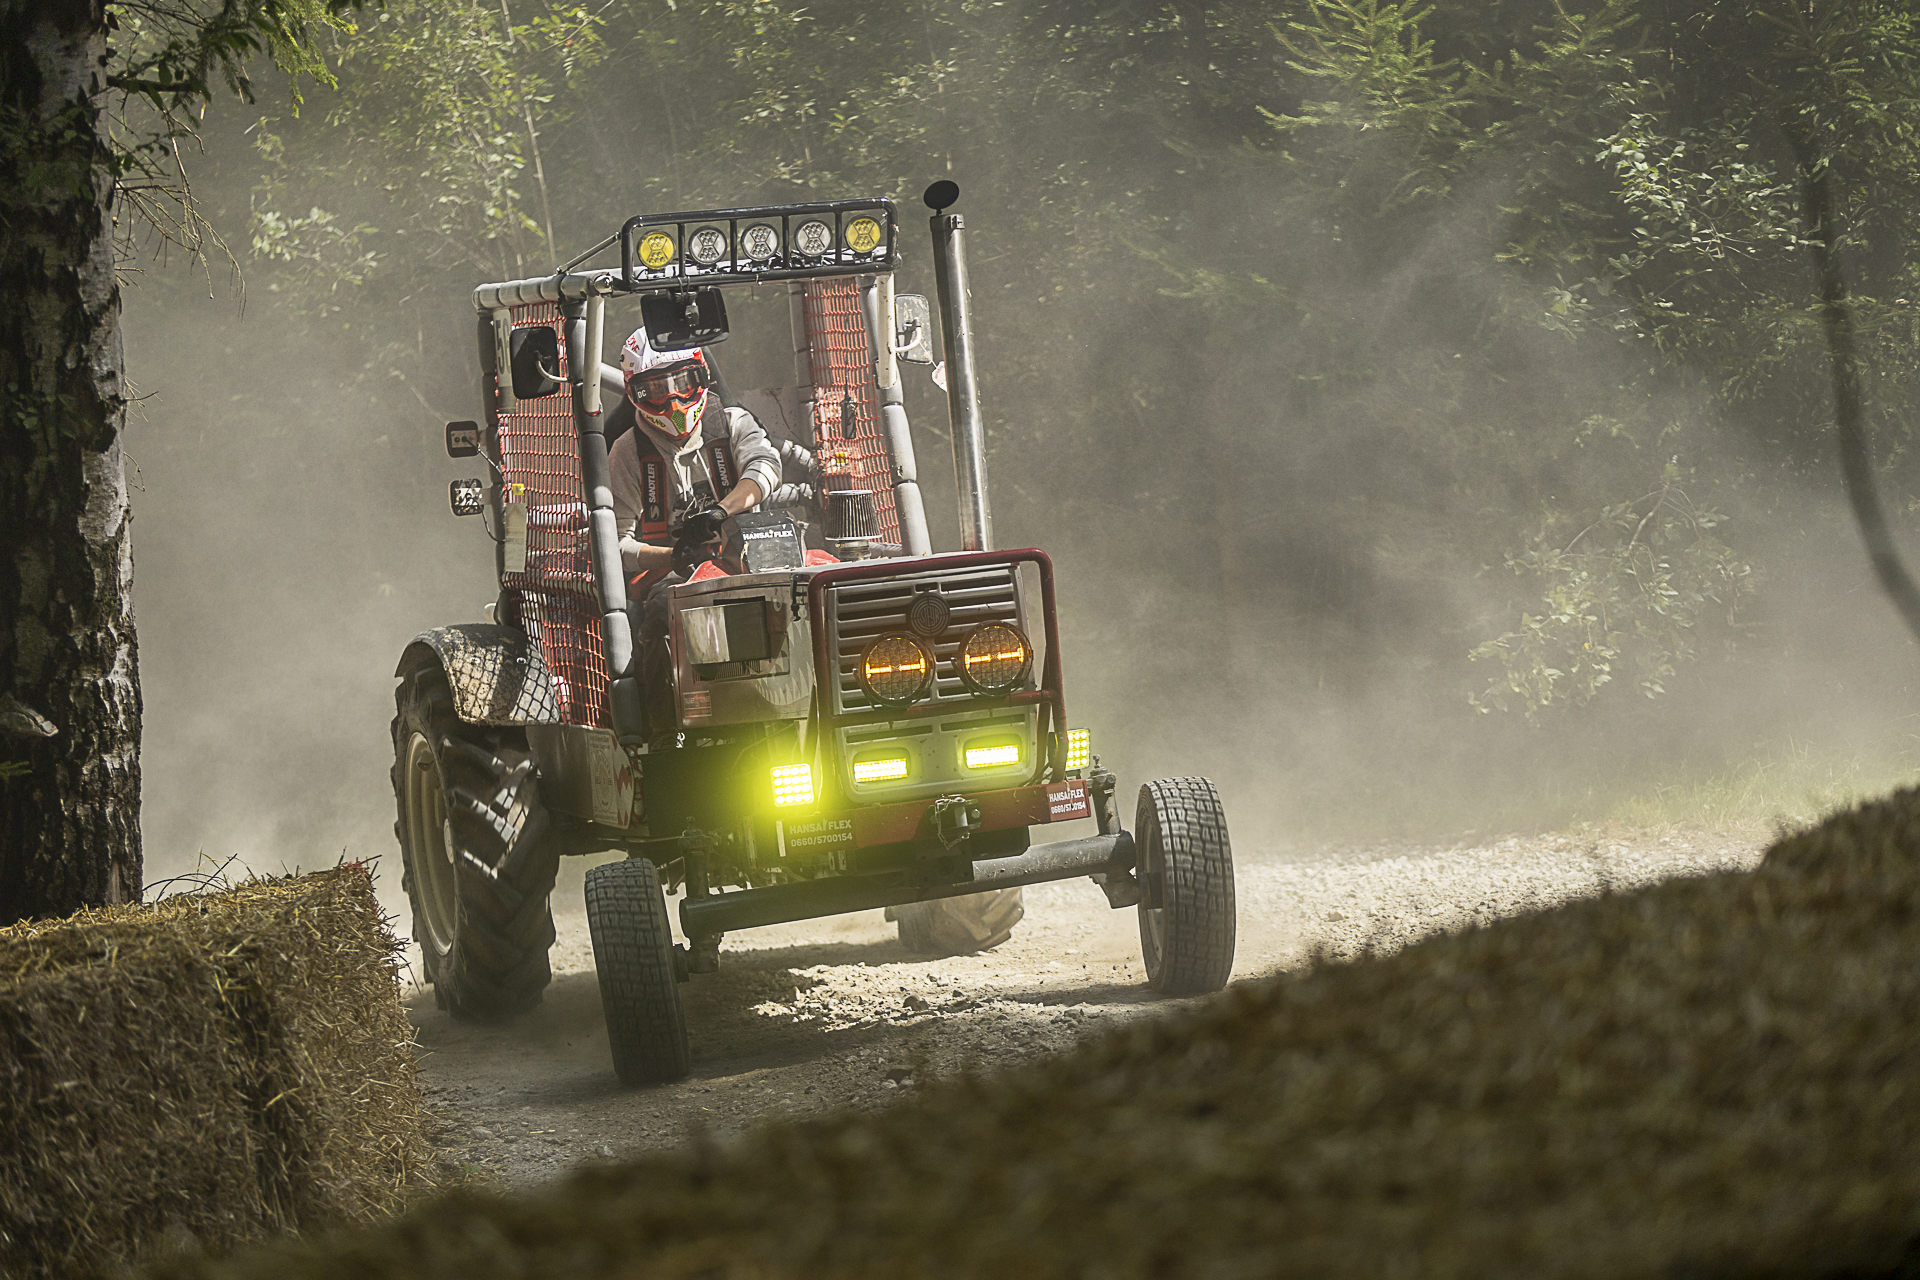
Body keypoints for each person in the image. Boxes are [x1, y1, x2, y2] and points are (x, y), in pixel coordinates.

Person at [607, 327, 782, 741]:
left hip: (749, 559)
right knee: (660, 613)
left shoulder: (732, 423)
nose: (673, 401)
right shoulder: (627, 451)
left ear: (701, 376)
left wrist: (721, 511)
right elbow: (616, 543)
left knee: (803, 595)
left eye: (683, 383)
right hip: (674, 574)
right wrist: (672, 556)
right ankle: (667, 737)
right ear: (635, 393)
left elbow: (766, 467)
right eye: (656, 390)